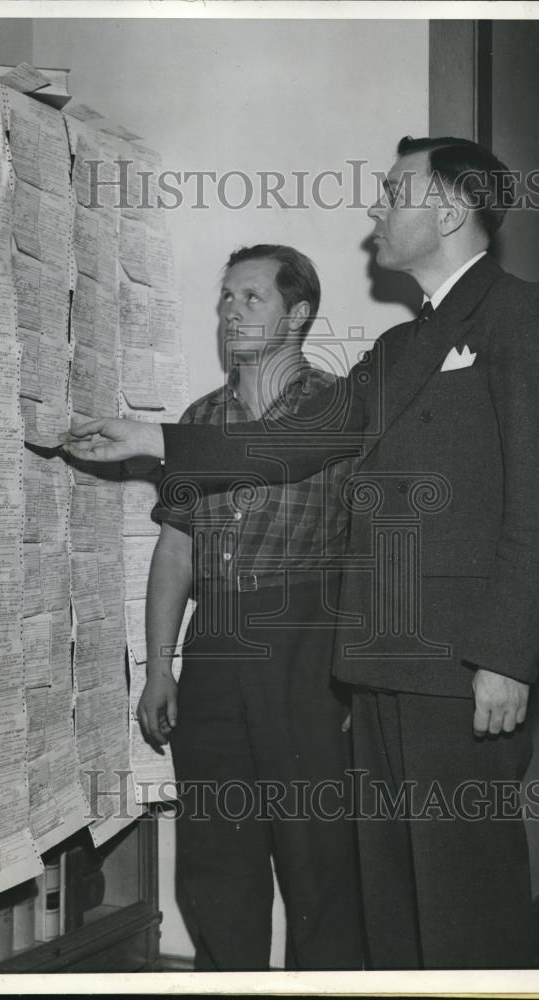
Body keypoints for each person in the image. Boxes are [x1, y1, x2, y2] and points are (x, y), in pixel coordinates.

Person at [63, 136, 539, 969]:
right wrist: (154, 436)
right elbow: (299, 440)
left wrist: (507, 655)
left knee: (461, 898)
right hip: (376, 664)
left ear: (446, 209)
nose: (373, 208)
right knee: (390, 901)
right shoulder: (404, 348)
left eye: (393, 192)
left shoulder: (523, 314)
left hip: (460, 665)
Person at [138, 244, 362, 970]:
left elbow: (376, 548)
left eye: (251, 297)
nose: (229, 311)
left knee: (315, 855)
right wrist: (160, 668)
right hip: (214, 645)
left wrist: (360, 671)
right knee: (214, 849)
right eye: (224, 297)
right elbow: (175, 550)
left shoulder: (334, 411)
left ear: (296, 315)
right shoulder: (199, 419)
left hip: (305, 641)